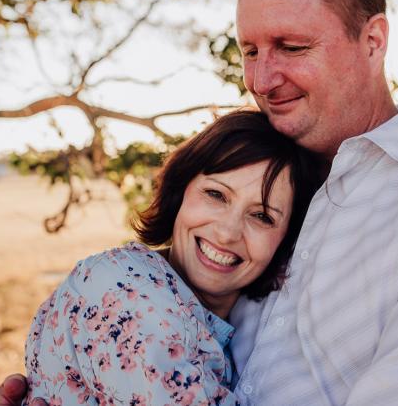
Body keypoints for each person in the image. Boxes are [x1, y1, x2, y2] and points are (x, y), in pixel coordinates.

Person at [0, 0, 398, 405]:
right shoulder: (260, 176)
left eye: (291, 46)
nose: (261, 80)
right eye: (251, 50)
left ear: (373, 40)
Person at [18, 110, 322, 405]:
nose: (228, 232)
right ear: (181, 191)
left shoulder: (246, 329)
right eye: (216, 195)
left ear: (286, 242)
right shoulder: (120, 285)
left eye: (261, 216)